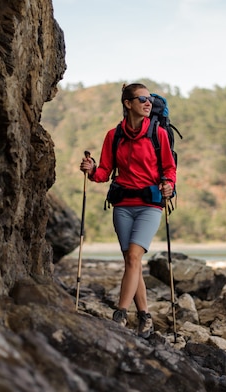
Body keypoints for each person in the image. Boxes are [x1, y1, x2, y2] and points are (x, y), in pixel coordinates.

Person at [79, 83, 176, 338]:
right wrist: (91, 170)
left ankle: (120, 315)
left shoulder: (158, 134)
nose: (148, 103)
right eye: (142, 98)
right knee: (132, 262)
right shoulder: (114, 135)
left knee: (133, 257)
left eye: (150, 99)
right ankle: (145, 317)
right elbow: (103, 173)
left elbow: (169, 168)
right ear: (127, 103)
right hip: (122, 205)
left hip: (149, 206)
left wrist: (169, 185)